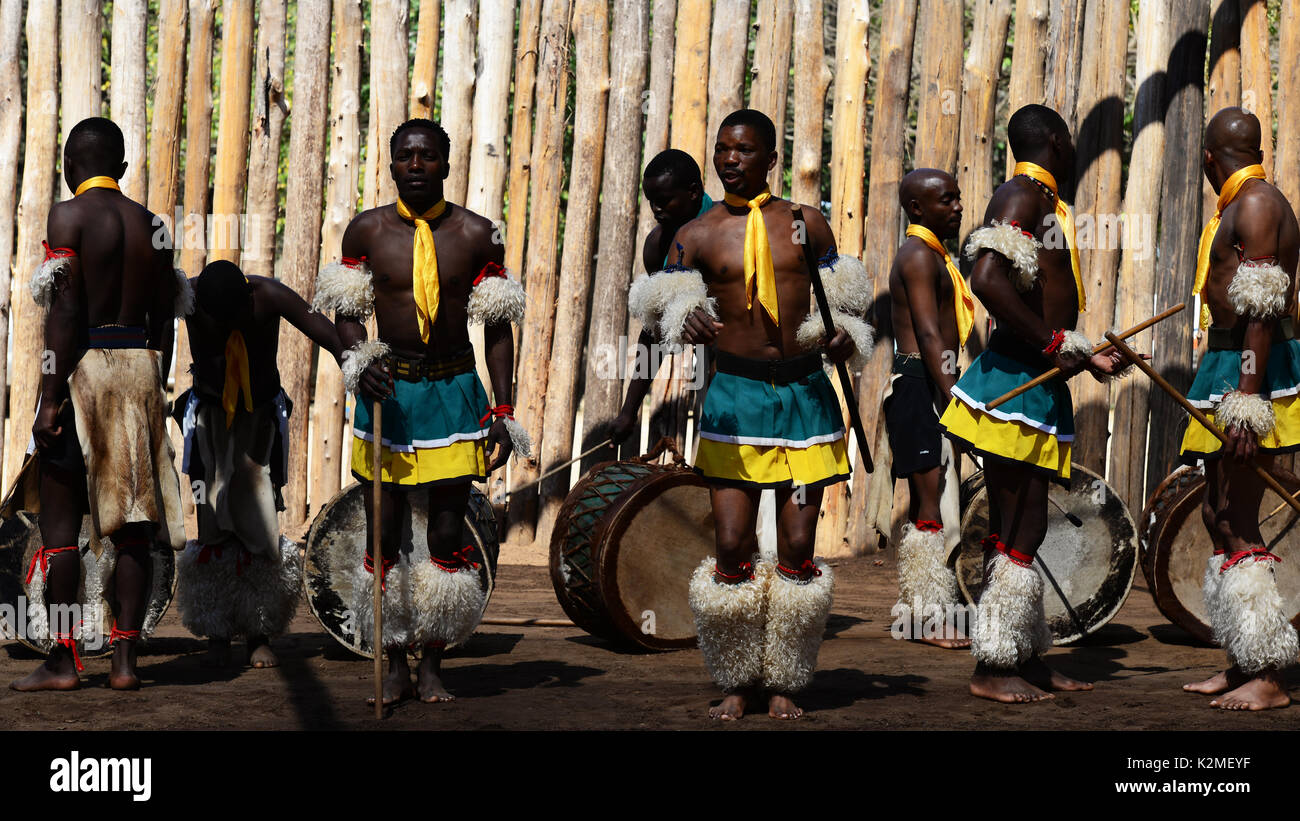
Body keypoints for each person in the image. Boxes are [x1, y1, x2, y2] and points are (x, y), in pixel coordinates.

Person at [628, 109, 873, 720]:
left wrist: (844, 335)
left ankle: (785, 676)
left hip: (804, 396)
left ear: (770, 158)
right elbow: (665, 312)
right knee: (733, 544)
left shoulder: (805, 224)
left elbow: (840, 306)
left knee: (795, 544)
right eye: (721, 149)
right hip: (734, 399)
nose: (729, 159)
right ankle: (737, 677)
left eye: (743, 149)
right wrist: (683, 318)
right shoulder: (697, 233)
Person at [314, 118, 528, 705]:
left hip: (455, 391)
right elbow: (346, 307)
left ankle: (432, 658)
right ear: (390, 164)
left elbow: (498, 328)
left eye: (427, 156)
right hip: (390, 393)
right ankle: (390, 660)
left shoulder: (480, 234)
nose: (415, 164)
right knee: (382, 531)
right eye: (405, 155)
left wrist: (503, 408)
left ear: (446, 164)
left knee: (445, 528)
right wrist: (359, 359)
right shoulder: (367, 230)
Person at [938, 104, 1124, 703]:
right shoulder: (1021, 196)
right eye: (1069, 142)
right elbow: (986, 279)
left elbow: (1035, 296)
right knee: (1020, 524)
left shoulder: (1040, 202)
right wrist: (1050, 342)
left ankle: (1024, 653)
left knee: (1026, 526)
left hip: (1037, 381)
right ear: (1054, 141)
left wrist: (1084, 354)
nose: (1073, 152)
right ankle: (992, 665)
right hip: (1013, 383)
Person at [11, 117, 187, 692]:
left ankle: (63, 662)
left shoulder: (69, 216)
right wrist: (150, 373)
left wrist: (49, 397)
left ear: (68, 167)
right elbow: (167, 313)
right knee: (133, 525)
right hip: (139, 371)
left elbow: (63, 315)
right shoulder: (152, 225)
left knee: (60, 530)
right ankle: (124, 664)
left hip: (83, 368)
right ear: (124, 167)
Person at [1179, 107, 1300, 710]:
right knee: (1214, 512)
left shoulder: (1253, 205)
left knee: (1239, 518)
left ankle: (1271, 676)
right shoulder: (1244, 204)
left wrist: (1248, 404)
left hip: (1251, 373)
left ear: (1208, 159)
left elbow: (1261, 312)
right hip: (1228, 368)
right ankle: (1242, 659)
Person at [173, 260, 343, 668]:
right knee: (211, 522)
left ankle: (257, 633)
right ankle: (216, 631)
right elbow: (153, 333)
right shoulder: (188, 297)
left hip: (258, 421)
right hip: (209, 418)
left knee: (261, 523)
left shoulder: (269, 296)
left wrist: (356, 362)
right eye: (219, 315)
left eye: (234, 313)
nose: (228, 321)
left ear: (248, 298)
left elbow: (322, 329)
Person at [883, 168, 969, 649]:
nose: (957, 208)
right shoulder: (918, 256)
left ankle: (925, 611)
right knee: (930, 500)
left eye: (957, 198)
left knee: (928, 498)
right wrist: (954, 394)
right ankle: (928, 618)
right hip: (921, 384)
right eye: (946, 200)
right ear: (917, 208)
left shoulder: (935, 256)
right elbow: (931, 334)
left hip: (930, 382)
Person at [609, 149, 713, 446]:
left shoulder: (730, 230)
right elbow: (654, 334)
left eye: (664, 200)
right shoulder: (657, 247)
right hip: (713, 373)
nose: (656, 208)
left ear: (693, 192)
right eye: (650, 200)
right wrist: (629, 411)